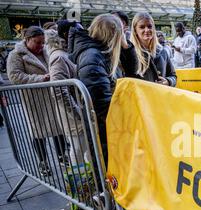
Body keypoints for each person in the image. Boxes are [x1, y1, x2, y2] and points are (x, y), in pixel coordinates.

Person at [7, 26, 67, 176]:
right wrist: (41, 78)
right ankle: (43, 162)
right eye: (37, 42)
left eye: (43, 42)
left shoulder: (45, 51)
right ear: (27, 40)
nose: (41, 46)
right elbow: (15, 76)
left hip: (51, 97)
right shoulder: (16, 55)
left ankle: (62, 156)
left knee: (58, 127)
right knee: (38, 131)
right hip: (34, 100)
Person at [69, 14, 126, 162]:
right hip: (104, 128)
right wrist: (123, 121)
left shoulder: (98, 53)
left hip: (106, 126)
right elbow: (100, 102)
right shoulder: (92, 56)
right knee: (106, 167)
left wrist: (127, 47)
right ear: (113, 35)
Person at [45, 27, 86, 167]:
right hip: (73, 117)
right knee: (78, 149)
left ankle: (85, 182)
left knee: (82, 149)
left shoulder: (64, 54)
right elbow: (58, 89)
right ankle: (79, 183)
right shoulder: (59, 57)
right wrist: (76, 112)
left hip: (75, 113)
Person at [128, 13, 177, 87]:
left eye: (149, 26)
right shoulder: (130, 53)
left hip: (159, 96)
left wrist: (168, 81)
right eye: (142, 27)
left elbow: (173, 76)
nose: (147, 30)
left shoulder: (162, 51)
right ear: (135, 31)